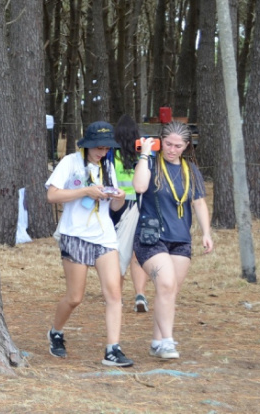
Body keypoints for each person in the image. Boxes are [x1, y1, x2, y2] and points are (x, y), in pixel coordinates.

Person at [45, 121, 134, 367]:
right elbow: (52, 195)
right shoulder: (70, 163)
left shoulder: (108, 166)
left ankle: (112, 349)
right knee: (75, 297)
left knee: (114, 294)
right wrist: (85, 191)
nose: (102, 152)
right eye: (98, 147)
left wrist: (119, 197)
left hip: (105, 236)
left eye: (106, 148)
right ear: (87, 145)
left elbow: (114, 207)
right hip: (75, 235)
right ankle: (56, 331)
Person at [133, 121, 213, 360]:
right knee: (166, 284)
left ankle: (157, 341)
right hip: (151, 237)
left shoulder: (190, 170)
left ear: (186, 146)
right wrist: (145, 155)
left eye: (178, 145)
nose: (172, 149)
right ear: (160, 140)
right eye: (168, 144)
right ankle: (168, 341)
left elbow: (198, 202)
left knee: (168, 291)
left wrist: (206, 232)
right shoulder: (152, 163)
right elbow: (139, 186)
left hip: (180, 239)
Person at [110, 115, 149, 312]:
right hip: (141, 206)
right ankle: (140, 294)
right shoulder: (142, 155)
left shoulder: (111, 155)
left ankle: (117, 295)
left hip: (118, 206)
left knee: (118, 252)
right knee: (137, 253)